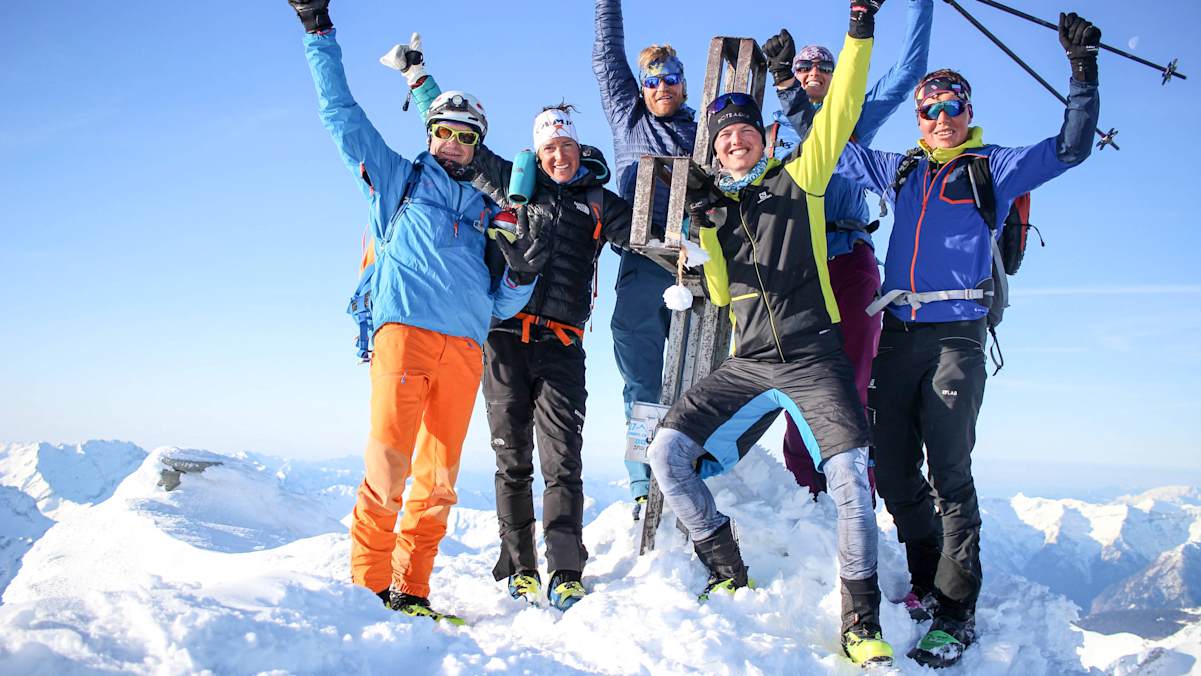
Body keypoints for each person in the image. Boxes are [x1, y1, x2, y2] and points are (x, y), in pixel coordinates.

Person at [833, 12, 1102, 668]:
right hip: (897, 332)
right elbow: (832, 142)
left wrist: (1081, 73)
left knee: (948, 472)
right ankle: (927, 584)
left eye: (950, 107)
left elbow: (1069, 148)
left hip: (955, 335)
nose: (940, 118)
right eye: (928, 110)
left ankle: (956, 612)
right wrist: (791, 87)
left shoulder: (992, 168)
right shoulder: (899, 171)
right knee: (893, 470)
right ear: (918, 119)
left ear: (966, 110)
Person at [645, 2, 893, 667]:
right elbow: (723, 295)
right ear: (716, 150)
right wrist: (704, 230)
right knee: (665, 453)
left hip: (813, 357)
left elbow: (838, 108)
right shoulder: (718, 210)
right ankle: (724, 567)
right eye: (723, 138)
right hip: (748, 361)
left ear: (762, 137)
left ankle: (859, 620)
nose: (734, 142)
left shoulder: (801, 180)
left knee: (849, 479)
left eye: (743, 133)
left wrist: (859, 32)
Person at [285, 1, 541, 624]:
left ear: (477, 145)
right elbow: (341, 118)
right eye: (444, 132)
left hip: (466, 351)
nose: (452, 143)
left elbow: (497, 300)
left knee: (438, 479)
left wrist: (523, 272)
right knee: (388, 467)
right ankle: (367, 590)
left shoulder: (489, 212)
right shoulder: (399, 181)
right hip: (404, 334)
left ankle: (412, 589)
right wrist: (320, 32)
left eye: (465, 136)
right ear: (430, 134)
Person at [760, 0, 933, 498]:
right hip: (793, 262)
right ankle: (804, 488)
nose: (815, 71)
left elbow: (909, 71)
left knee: (857, 369)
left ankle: (853, 484)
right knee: (799, 376)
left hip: (849, 252)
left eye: (824, 65)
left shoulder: (852, 112)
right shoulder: (770, 126)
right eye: (804, 66)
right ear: (790, 74)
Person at [593, 0, 698, 518]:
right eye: (653, 80)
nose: (662, 88)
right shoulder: (628, 117)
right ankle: (642, 482)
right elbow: (606, 58)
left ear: (684, 84)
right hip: (640, 260)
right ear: (642, 86)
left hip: (695, 265)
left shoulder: (706, 133)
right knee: (641, 378)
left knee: (698, 373)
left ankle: (693, 467)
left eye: (671, 79)